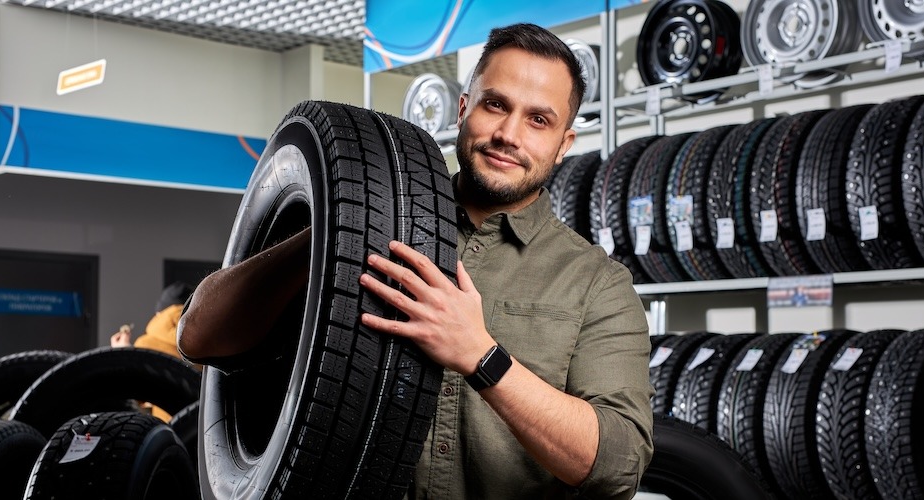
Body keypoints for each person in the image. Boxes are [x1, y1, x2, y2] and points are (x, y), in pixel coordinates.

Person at [178, 23, 653, 499]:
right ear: (464, 110)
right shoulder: (362, 224)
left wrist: (480, 356)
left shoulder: (597, 284)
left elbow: (617, 466)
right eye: (496, 105)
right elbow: (199, 337)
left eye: (538, 120)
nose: (509, 134)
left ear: (563, 143)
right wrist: (343, 221)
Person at [111, 281, 196, 420]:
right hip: (208, 426)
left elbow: (134, 394)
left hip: (172, 428)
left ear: (159, 314)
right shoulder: (209, 338)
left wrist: (123, 352)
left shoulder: (145, 343)